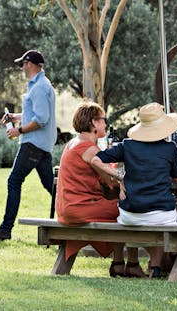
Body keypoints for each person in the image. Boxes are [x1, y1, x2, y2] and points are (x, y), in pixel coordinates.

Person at [88, 102, 177, 278]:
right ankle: (156, 266)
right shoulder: (170, 148)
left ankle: (147, 264)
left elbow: (95, 160)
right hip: (161, 215)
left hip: (130, 215)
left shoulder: (127, 146)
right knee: (166, 215)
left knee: (136, 214)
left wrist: (119, 176)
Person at [55, 100, 144, 278]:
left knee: (120, 208)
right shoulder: (88, 148)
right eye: (103, 119)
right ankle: (132, 263)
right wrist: (131, 178)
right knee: (133, 210)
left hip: (68, 207)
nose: (105, 123)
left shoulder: (74, 143)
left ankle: (119, 263)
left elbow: (105, 179)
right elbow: (110, 180)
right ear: (94, 123)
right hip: (79, 207)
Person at [0, 49, 57, 241]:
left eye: (22, 64)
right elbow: (37, 114)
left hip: (33, 144)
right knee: (53, 187)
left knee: (13, 181)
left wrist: (19, 130)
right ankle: (72, 215)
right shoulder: (41, 85)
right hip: (41, 145)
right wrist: (17, 117)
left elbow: (41, 120)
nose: (21, 68)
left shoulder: (39, 87)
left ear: (30, 64)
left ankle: (5, 230)